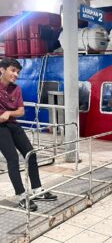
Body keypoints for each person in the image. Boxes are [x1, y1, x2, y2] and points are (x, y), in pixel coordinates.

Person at [0, 58, 57, 212]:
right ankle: (21, 195)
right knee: (12, 158)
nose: (16, 74)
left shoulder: (16, 89)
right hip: (0, 128)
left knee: (30, 154)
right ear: (2, 69)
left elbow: (21, 111)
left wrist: (8, 113)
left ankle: (37, 190)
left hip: (12, 124)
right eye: (13, 70)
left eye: (18, 72)